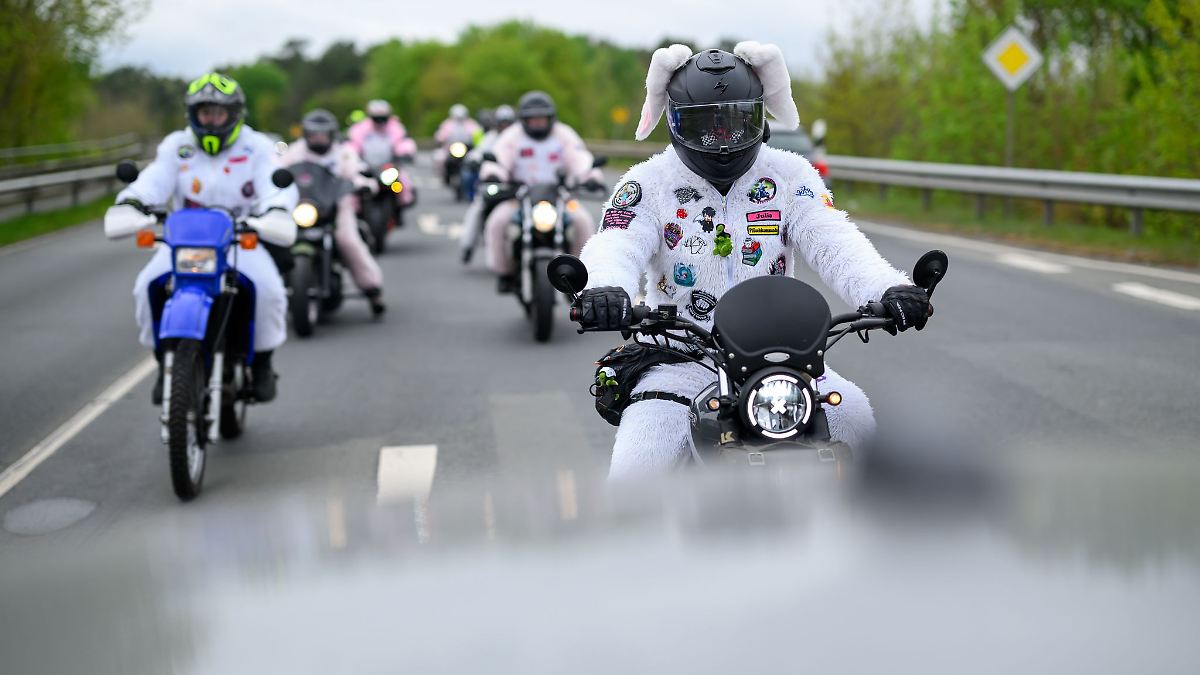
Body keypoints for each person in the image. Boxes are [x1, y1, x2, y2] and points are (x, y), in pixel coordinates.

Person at [575, 43, 933, 479]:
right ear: (674, 121)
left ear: (760, 118)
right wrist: (604, 286)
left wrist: (888, 288)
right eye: (706, 125)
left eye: (736, 121)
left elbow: (836, 242)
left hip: (783, 360)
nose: (723, 139)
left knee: (855, 416)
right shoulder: (647, 183)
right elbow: (616, 242)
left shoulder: (791, 175)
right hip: (681, 357)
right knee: (638, 463)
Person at [105, 72, 298, 402]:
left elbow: (275, 183)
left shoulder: (257, 146)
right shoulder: (177, 145)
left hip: (240, 239)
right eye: (204, 112)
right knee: (145, 286)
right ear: (192, 114)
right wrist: (132, 201)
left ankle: (262, 363)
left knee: (269, 291)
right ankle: (164, 360)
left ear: (234, 114)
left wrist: (277, 209)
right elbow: (154, 179)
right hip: (185, 243)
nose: (211, 120)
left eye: (218, 113)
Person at [481, 92, 603, 290]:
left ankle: (578, 275)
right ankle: (504, 272)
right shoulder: (512, 135)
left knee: (583, 222)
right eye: (532, 118)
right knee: (497, 222)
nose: (537, 122)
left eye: (542, 118)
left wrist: (590, 177)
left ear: (550, 118)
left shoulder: (563, 134)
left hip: (560, 196)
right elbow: (499, 157)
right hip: (519, 196)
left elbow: (579, 157)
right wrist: (493, 173)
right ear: (524, 119)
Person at [280, 109, 386, 315]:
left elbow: (355, 174)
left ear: (331, 134)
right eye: (314, 134)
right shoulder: (294, 152)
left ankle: (372, 287)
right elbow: (277, 170)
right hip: (302, 208)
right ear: (306, 134)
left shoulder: (343, 153)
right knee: (278, 238)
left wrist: (364, 185)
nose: (318, 139)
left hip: (336, 208)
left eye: (323, 134)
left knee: (348, 241)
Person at [459, 104, 516, 262]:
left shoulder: (519, 137)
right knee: (477, 208)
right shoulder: (490, 138)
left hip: (516, 186)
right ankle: (467, 246)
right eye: (502, 123)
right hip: (495, 183)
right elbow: (478, 152)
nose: (505, 127)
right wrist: (473, 161)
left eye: (508, 123)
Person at [432, 103, 482, 183]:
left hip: (467, 150)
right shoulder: (447, 124)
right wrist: (440, 140)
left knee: (476, 159)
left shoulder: (471, 124)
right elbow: (440, 136)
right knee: (439, 157)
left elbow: (478, 136)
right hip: (450, 150)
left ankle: (476, 179)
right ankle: (443, 176)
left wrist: (476, 145)